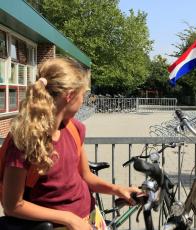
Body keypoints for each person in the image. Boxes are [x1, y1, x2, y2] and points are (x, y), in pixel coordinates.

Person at [2, 57, 141, 230]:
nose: (83, 100)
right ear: (69, 95)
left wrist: (118, 189)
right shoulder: (24, 140)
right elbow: (12, 205)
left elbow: (85, 176)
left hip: (89, 219)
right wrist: (69, 219)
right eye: (83, 94)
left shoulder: (75, 128)